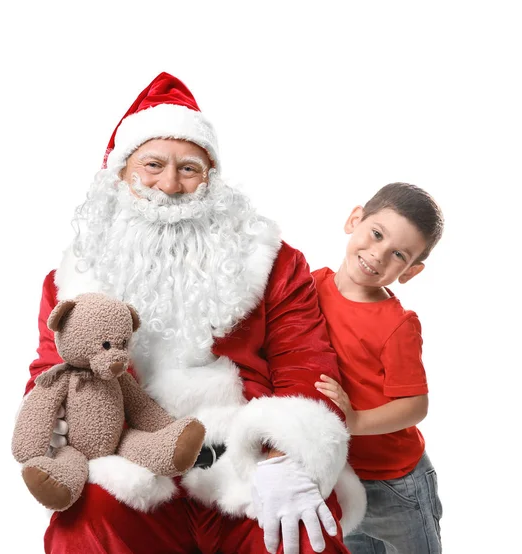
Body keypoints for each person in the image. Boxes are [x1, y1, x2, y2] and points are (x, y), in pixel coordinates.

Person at [23, 72, 365, 554]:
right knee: (88, 524)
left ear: (210, 179)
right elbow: (51, 370)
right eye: (152, 165)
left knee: (302, 532)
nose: (170, 185)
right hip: (134, 462)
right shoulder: (76, 278)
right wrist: (55, 427)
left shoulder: (271, 262)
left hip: (245, 459)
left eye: (189, 169)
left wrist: (284, 457)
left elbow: (305, 361)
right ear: (121, 174)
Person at [313, 182, 444, 554]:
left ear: (411, 271)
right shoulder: (311, 286)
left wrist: (354, 421)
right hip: (344, 475)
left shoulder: (397, 324)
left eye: (398, 254)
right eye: (376, 234)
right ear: (354, 219)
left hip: (397, 482)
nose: (377, 255)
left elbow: (414, 406)